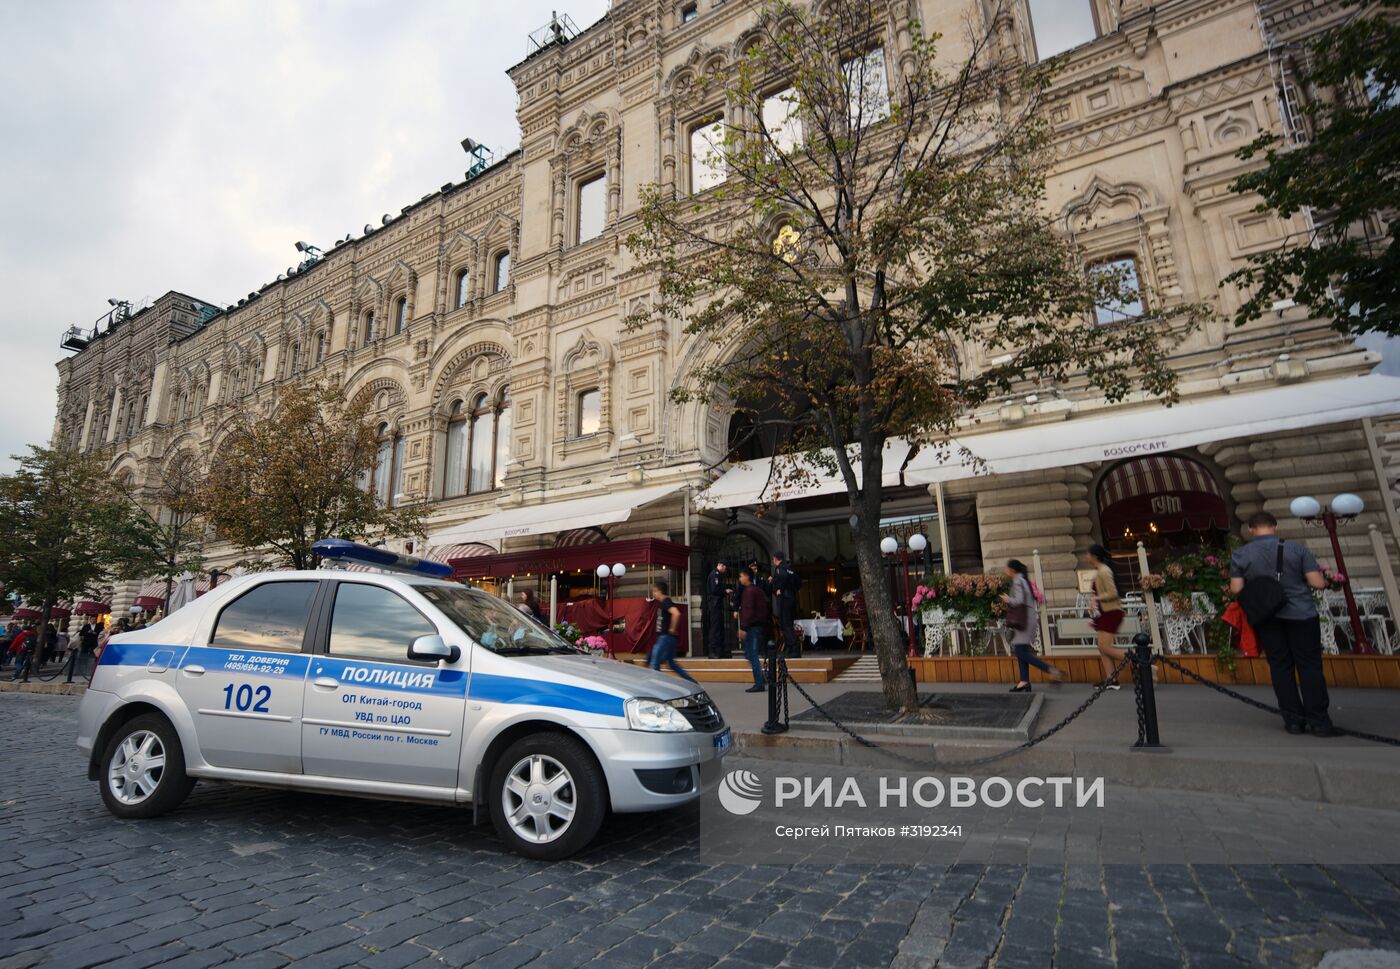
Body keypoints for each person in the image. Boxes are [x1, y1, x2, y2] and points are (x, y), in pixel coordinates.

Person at [1229, 511, 1334, 736]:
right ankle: (1319, 721)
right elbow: (1317, 583)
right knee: (1310, 666)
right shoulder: (1296, 549)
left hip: (1268, 617)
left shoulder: (1241, 554)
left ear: (1250, 529)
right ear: (1275, 526)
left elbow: (1236, 588)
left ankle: (1293, 721)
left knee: (1280, 666)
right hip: (1301, 613)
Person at [1003, 560, 1066, 692]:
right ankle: (1024, 681)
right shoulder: (1024, 580)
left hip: (1023, 621)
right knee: (1022, 651)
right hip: (1028, 618)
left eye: (1007, 568)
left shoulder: (1018, 581)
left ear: (1013, 570)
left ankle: (1052, 671)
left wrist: (1007, 599)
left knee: (1020, 651)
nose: (1005, 571)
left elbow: (1019, 601)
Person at [1086, 544, 1128, 689]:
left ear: (1094, 556)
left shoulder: (1104, 571)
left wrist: (1096, 599)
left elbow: (1112, 592)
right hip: (1105, 612)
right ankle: (1112, 679)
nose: (1086, 556)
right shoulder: (1100, 570)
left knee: (1105, 646)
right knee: (1102, 647)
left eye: (1088, 554)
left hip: (1111, 612)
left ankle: (1141, 662)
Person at [647, 580, 697, 683]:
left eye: (655, 591)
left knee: (654, 663)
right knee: (672, 664)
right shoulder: (663, 603)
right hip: (667, 638)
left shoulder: (666, 602)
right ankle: (693, 682)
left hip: (665, 637)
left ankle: (656, 686)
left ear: (660, 591)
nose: (654, 594)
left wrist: (672, 629)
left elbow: (676, 614)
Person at [735, 568, 770, 693]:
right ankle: (762, 677)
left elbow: (749, 610)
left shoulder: (749, 591)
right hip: (756, 625)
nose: (740, 579)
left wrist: (743, 628)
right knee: (750, 654)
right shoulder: (756, 590)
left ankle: (759, 683)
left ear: (747, 576)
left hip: (752, 626)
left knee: (752, 655)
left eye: (741, 576)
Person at [770, 551, 801, 658]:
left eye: (773, 558)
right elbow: (798, 582)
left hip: (784, 599)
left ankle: (793, 648)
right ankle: (790, 647)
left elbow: (783, 577)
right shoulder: (790, 569)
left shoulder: (780, 569)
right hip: (791, 598)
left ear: (775, 558)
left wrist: (781, 590)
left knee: (784, 624)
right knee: (789, 623)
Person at [704, 561, 731, 658]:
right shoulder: (714, 575)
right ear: (721, 565)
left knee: (719, 627)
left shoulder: (718, 575)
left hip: (717, 604)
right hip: (714, 604)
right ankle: (713, 651)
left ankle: (719, 651)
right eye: (725, 567)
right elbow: (715, 590)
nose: (725, 570)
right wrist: (725, 591)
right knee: (715, 627)